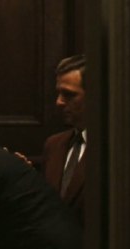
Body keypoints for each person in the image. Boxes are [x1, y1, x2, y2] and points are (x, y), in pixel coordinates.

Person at [42, 54, 88, 225]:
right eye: (59, 93)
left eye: (69, 95)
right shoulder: (54, 145)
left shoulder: (115, 147)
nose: (59, 102)